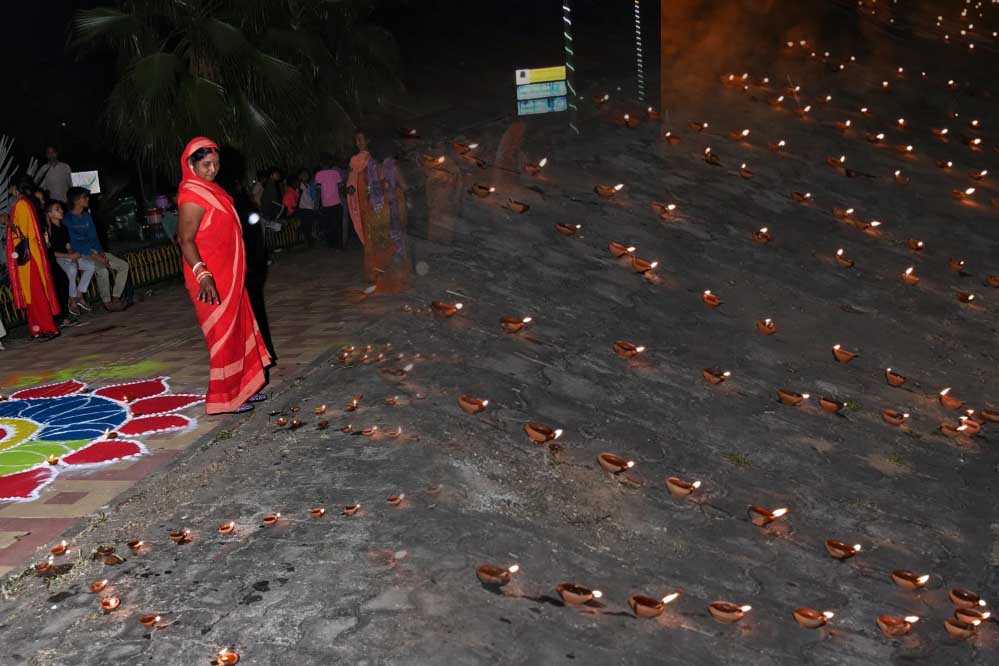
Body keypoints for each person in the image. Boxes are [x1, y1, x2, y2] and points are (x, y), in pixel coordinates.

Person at [176, 137, 272, 414]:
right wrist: (203, 275)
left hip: (229, 275)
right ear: (191, 164)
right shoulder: (192, 195)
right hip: (210, 278)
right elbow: (185, 240)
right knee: (223, 336)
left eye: (216, 164)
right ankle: (226, 398)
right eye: (206, 164)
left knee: (239, 330)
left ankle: (245, 388)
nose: (212, 169)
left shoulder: (212, 190)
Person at [348, 133, 412, 292]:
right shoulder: (393, 166)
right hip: (391, 210)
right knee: (395, 240)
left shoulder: (370, 168)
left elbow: (365, 189)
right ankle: (396, 275)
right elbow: (404, 187)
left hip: (375, 211)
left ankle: (378, 275)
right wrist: (406, 197)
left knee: (379, 243)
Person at [5, 177, 61, 339]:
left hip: (29, 257)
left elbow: (21, 232)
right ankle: (37, 329)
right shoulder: (24, 203)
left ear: (15, 187)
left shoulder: (22, 204)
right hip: (27, 255)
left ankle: (49, 328)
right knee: (30, 294)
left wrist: (7, 222)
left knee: (36, 294)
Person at [64, 187, 129, 312]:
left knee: (123, 265)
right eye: (84, 197)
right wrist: (96, 256)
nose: (88, 199)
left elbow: (94, 237)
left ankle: (116, 298)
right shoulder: (67, 219)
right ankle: (107, 302)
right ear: (76, 200)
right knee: (103, 271)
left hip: (95, 252)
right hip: (82, 255)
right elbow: (75, 244)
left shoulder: (87, 216)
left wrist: (101, 253)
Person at [45, 200, 94, 316]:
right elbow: (50, 252)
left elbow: (68, 246)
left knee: (90, 266)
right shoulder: (47, 230)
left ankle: (79, 293)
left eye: (61, 209)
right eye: (57, 209)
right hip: (57, 259)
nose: (61, 211)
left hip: (68, 257)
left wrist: (74, 256)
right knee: (72, 269)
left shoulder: (63, 227)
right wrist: (69, 256)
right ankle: (72, 300)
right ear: (50, 214)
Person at [314, 155, 344, 248]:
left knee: (329, 225)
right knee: (336, 225)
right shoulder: (335, 173)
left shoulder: (319, 174)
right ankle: (338, 245)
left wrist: (317, 203)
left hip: (327, 204)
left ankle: (332, 245)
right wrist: (342, 200)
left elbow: (318, 190)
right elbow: (340, 188)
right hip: (335, 203)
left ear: (320, 163)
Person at [295, 168, 318, 247]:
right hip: (304, 208)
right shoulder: (299, 186)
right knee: (307, 226)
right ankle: (309, 242)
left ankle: (309, 241)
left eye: (307, 174)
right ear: (299, 176)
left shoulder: (307, 185)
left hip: (309, 208)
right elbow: (297, 197)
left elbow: (309, 197)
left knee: (309, 225)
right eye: (303, 174)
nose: (306, 176)